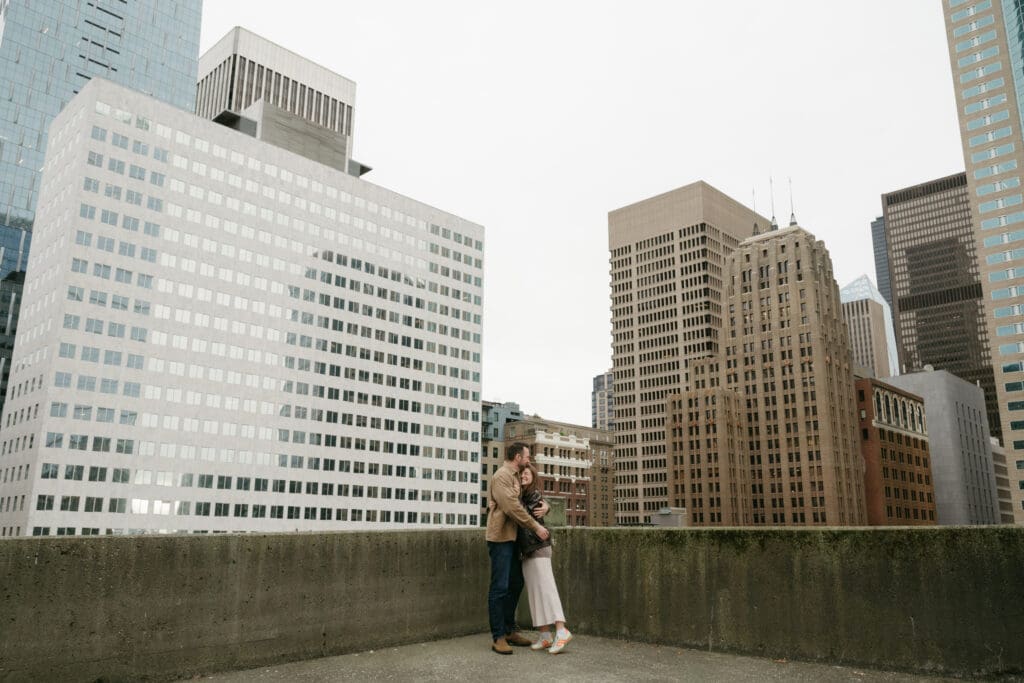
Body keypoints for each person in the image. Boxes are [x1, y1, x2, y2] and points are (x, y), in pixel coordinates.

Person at [486, 442, 550, 655]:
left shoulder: (515, 476)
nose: (528, 459)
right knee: (500, 587)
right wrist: (536, 526)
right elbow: (513, 507)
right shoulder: (501, 476)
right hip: (500, 538)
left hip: (514, 539)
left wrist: (546, 505)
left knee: (515, 583)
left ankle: (509, 629)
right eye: (526, 456)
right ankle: (498, 637)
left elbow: (530, 495)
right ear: (517, 457)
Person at [518, 463, 572, 654]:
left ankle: (561, 629)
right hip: (527, 550)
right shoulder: (523, 494)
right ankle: (545, 635)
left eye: (526, 474)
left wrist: (546, 506)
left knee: (547, 591)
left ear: (533, 477)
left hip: (539, 548)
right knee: (535, 593)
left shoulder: (533, 495)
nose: (523, 476)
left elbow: (520, 513)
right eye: (521, 474)